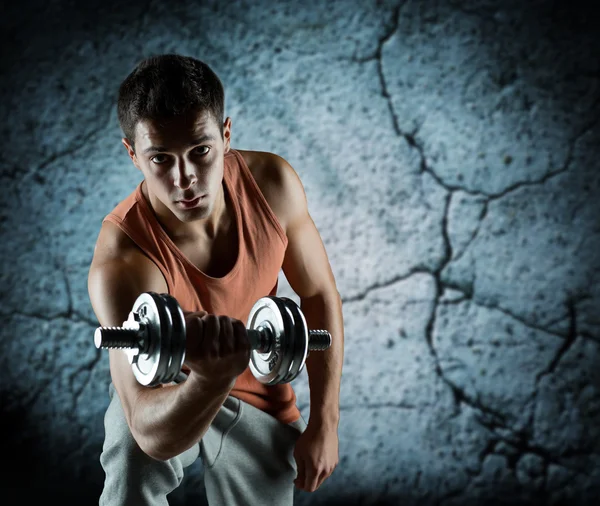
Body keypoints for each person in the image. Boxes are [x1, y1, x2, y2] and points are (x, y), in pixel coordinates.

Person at [87, 53, 344, 505]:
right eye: (161, 158)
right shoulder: (124, 259)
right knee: (131, 459)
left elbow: (318, 294)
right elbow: (148, 429)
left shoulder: (272, 186)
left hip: (260, 398)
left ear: (225, 135)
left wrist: (325, 421)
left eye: (201, 151)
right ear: (133, 155)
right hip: (168, 395)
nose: (185, 179)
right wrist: (208, 378)